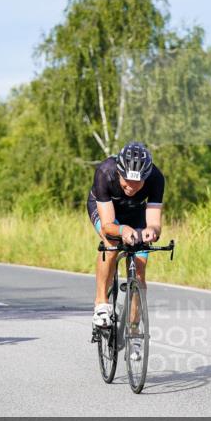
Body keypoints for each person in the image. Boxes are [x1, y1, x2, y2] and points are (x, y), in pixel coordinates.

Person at [87, 141, 164, 339]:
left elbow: (154, 223)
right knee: (111, 243)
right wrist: (122, 230)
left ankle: (134, 329)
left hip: (135, 213)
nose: (131, 186)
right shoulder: (105, 172)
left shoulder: (156, 178)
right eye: (127, 180)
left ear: (146, 177)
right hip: (106, 211)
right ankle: (101, 304)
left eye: (138, 182)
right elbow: (107, 225)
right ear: (119, 172)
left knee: (139, 271)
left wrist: (151, 231)